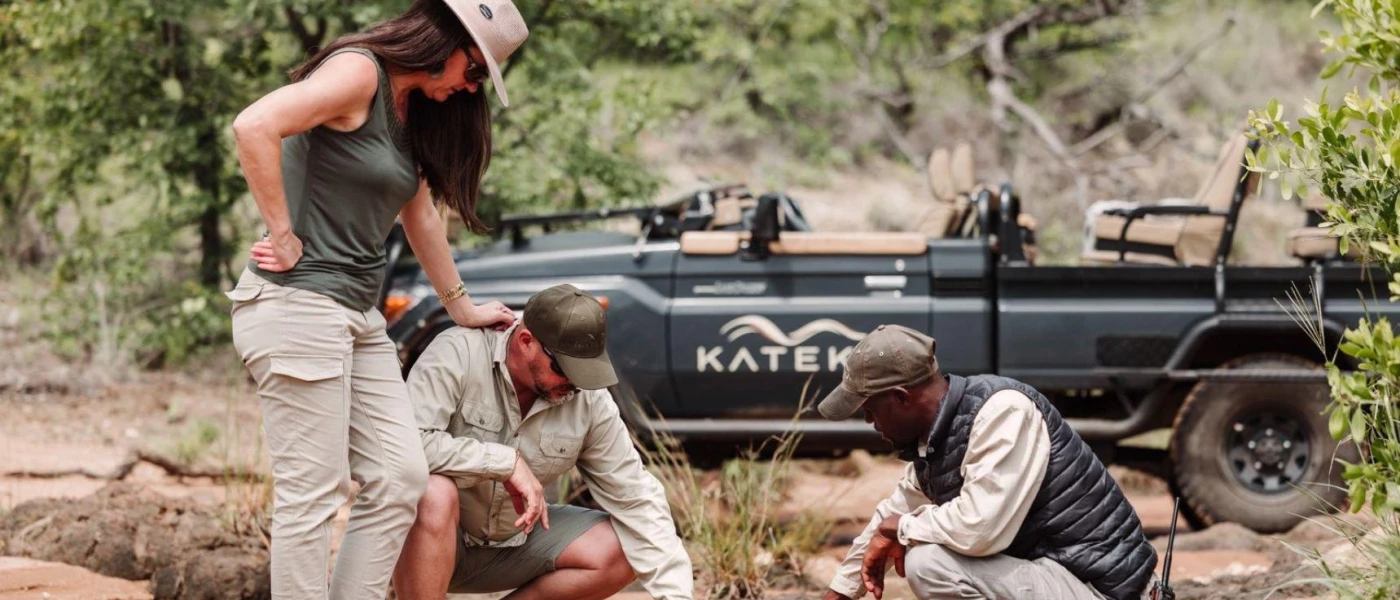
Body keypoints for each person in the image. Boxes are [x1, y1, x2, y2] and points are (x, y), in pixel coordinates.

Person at [225, 2, 528, 598]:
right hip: (298, 304)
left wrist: (462, 308)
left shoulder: (412, 111)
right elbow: (253, 125)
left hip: (358, 316)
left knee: (400, 476)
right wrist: (282, 233)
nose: (471, 88)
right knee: (313, 493)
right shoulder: (359, 72)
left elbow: (422, 217)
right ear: (446, 42)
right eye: (474, 71)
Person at [393, 284, 694, 600]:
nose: (575, 383)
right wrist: (504, 463)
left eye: (585, 370)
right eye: (565, 369)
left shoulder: (589, 399)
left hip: (511, 546)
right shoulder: (458, 352)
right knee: (433, 493)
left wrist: (677, 595)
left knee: (623, 548)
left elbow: (635, 496)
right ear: (526, 342)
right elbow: (406, 447)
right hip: (428, 545)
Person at [816, 325, 1159, 600]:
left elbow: (978, 528)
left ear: (900, 398)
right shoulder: (936, 442)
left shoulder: (1003, 411)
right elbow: (891, 513)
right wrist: (841, 592)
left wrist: (901, 528)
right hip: (1060, 578)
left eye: (869, 410)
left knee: (928, 563)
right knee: (926, 551)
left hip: (1104, 589)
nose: (869, 422)